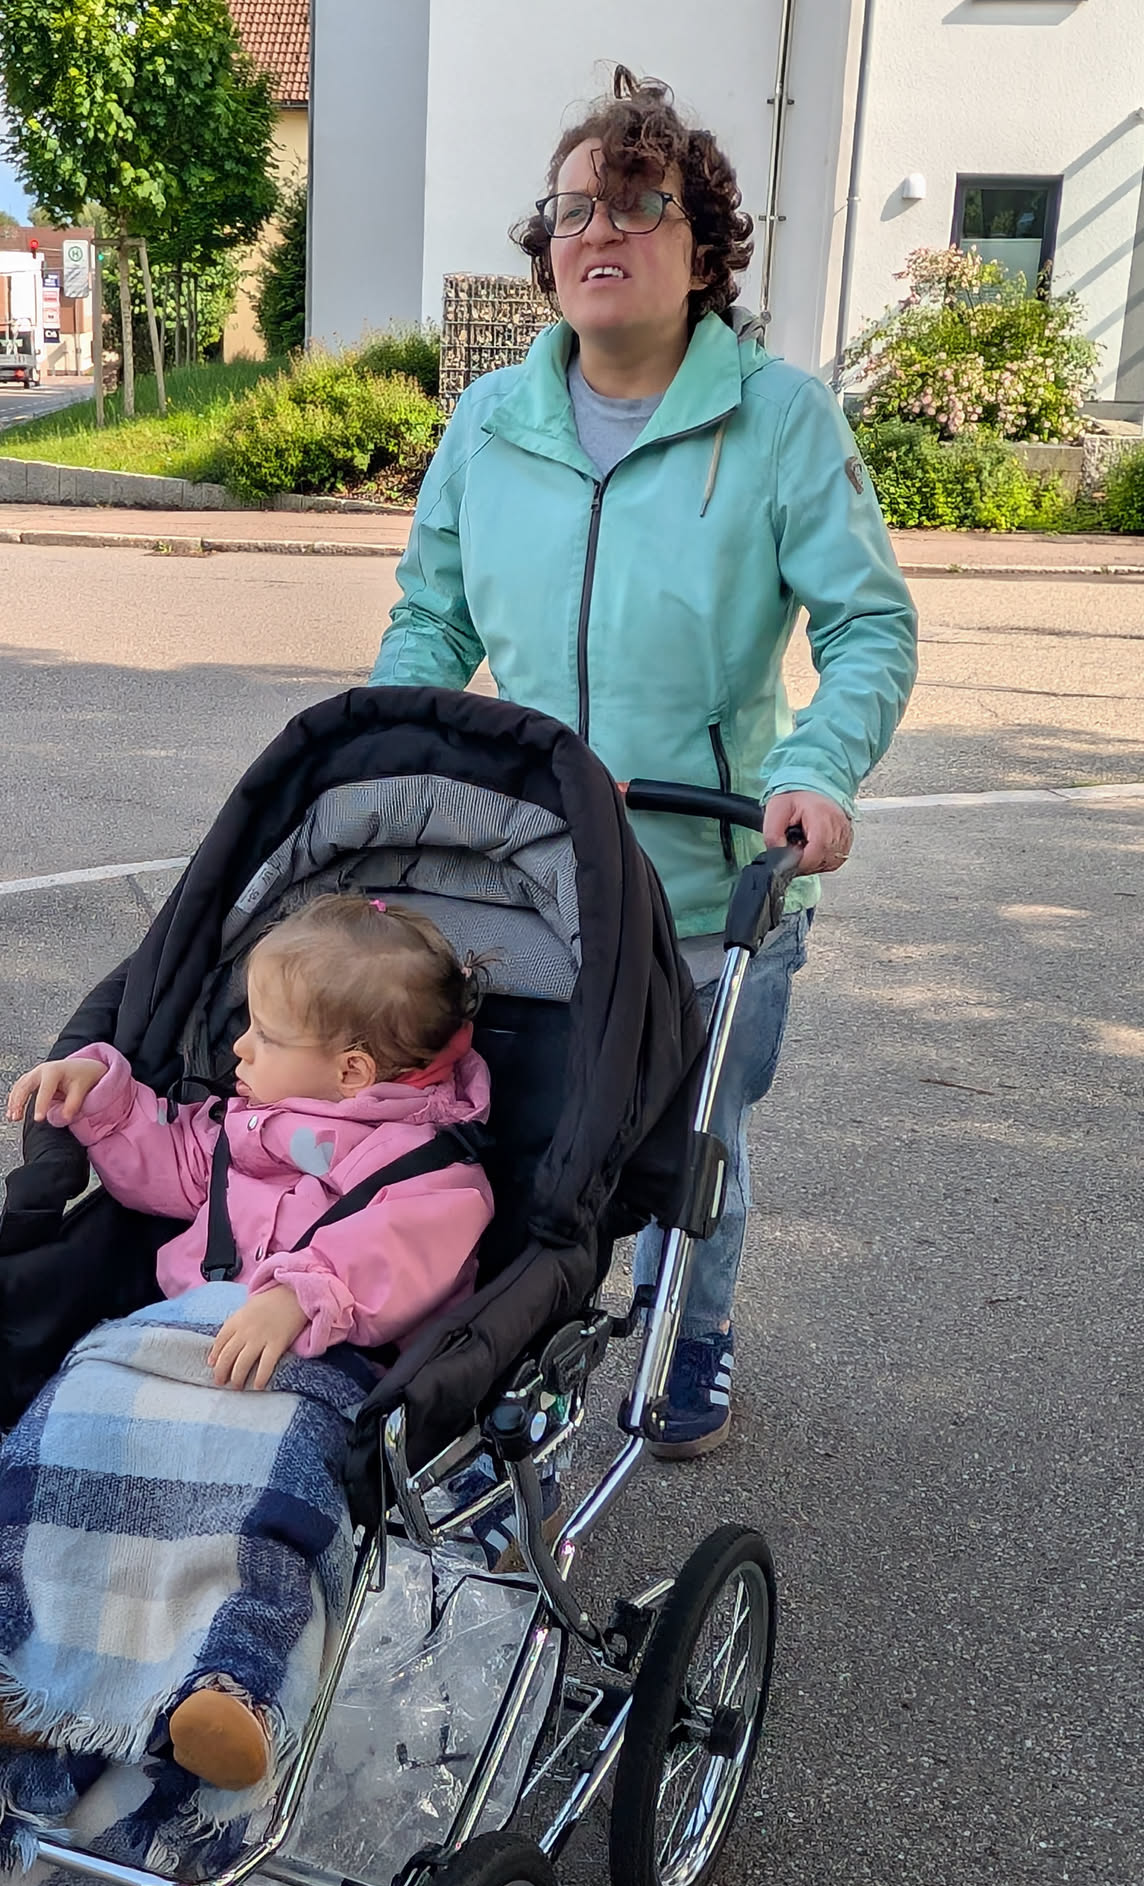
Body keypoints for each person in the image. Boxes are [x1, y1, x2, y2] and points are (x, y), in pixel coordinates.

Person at [370, 69, 918, 1458]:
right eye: (570, 210)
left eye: (635, 202)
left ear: (704, 247)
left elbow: (868, 626)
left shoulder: (780, 419)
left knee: (688, 1147)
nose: (596, 230)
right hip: (534, 874)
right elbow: (431, 623)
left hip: (710, 880)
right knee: (523, 1129)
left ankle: (690, 1333)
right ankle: (510, 1340)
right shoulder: (488, 423)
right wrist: (390, 764)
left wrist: (818, 770)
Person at [0, 895, 494, 1793]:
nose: (238, 1047)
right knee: (61, 1434)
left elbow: (406, 1247)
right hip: (173, 1348)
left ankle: (234, 1686)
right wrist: (100, 1096)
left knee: (269, 1503)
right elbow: (160, 1158)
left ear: (351, 1070)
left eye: (265, 1034)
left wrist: (301, 1295)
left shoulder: (427, 1165)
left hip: (313, 1371)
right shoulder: (236, 1130)